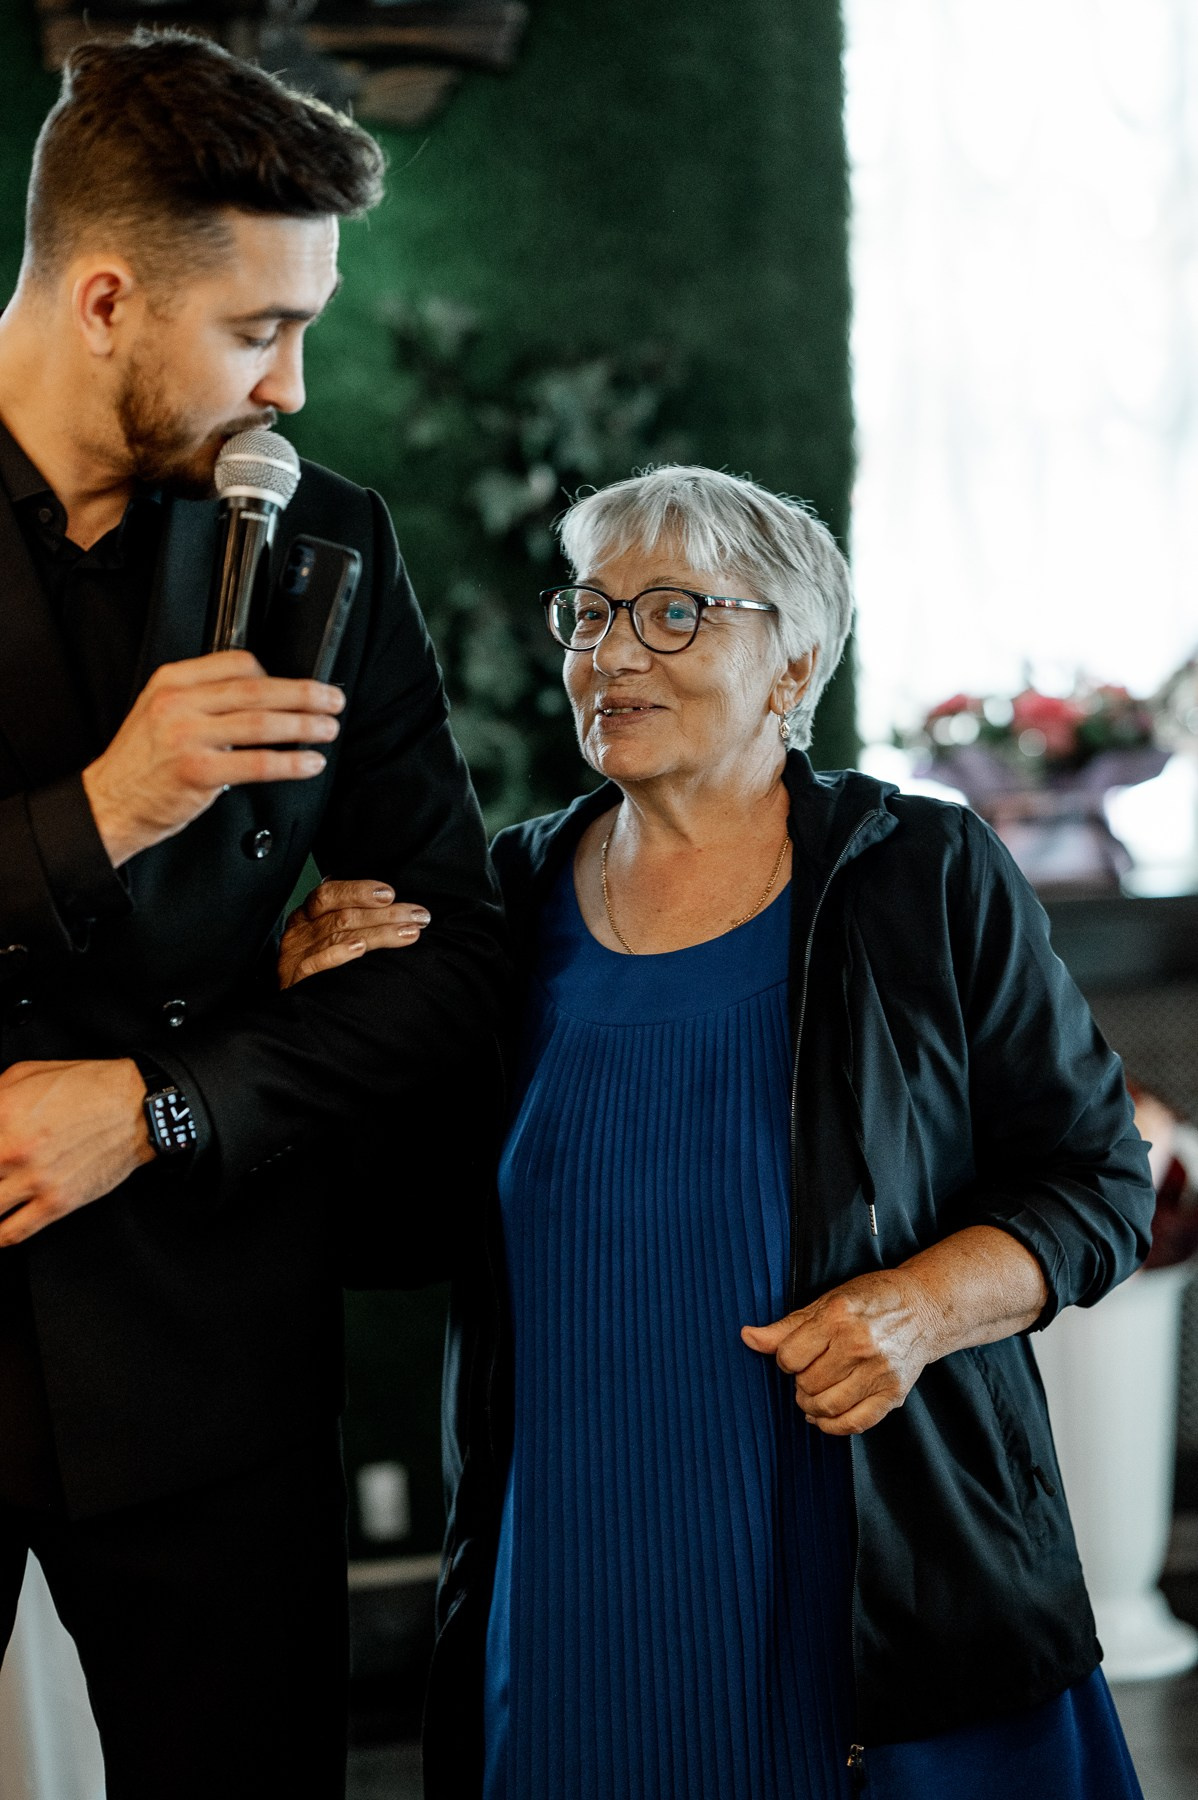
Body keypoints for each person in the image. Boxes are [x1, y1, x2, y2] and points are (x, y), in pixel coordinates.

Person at [283, 466, 1153, 1799]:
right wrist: (324, 1034)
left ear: (792, 659)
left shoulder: (919, 875)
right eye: (590, 612)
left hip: (870, 1568)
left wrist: (918, 1308)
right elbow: (395, 1224)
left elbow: (1096, 1184)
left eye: (676, 612)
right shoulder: (500, 903)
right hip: (572, 1573)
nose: (614, 650)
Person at [0, 30, 504, 1800]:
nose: (292, 384)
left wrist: (162, 1106)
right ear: (110, 299)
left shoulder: (329, 554)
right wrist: (102, 816)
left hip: (212, 1359)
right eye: (258, 331)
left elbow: (445, 956)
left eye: (306, 325)